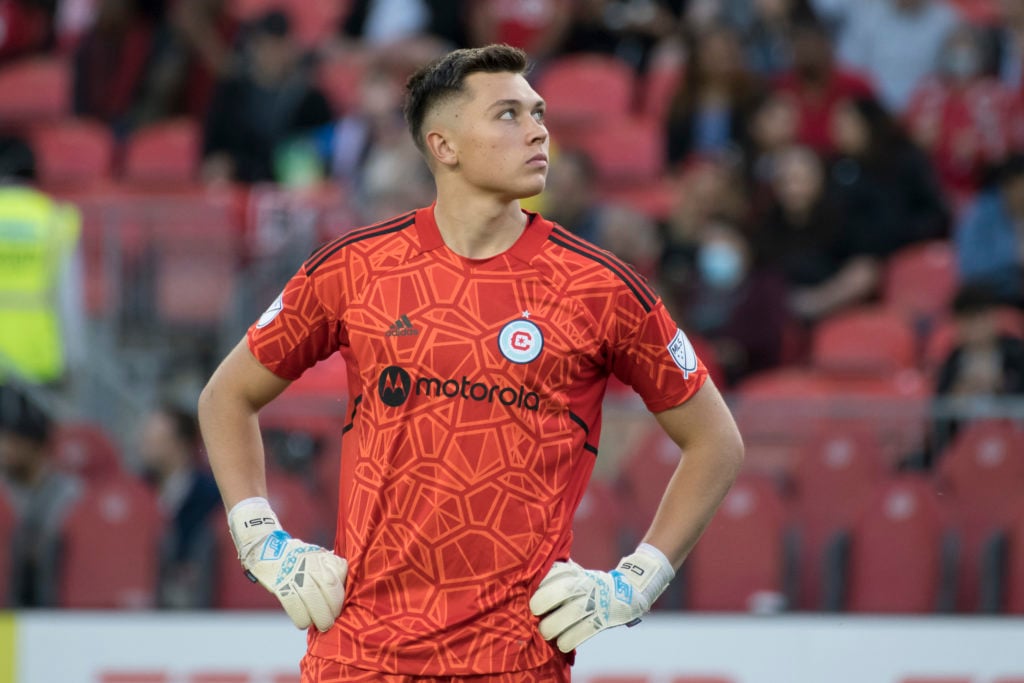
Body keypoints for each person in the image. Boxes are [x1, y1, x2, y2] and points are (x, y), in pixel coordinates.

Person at [198, 44, 743, 681]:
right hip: (358, 656)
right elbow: (226, 396)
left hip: (516, 660)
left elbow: (716, 440)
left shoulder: (601, 288)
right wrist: (260, 539)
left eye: (538, 113)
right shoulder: (355, 267)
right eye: (508, 114)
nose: (538, 130)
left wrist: (639, 580)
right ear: (444, 146)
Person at [0, 385, 82, 606]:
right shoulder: (4, 488)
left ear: (36, 446)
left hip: (55, 602)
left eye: (12, 441)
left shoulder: (69, 492)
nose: (4, 449)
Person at [137, 403, 221, 609]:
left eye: (156, 440)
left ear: (181, 444)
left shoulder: (211, 494)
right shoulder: (138, 490)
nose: (145, 446)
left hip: (196, 601)